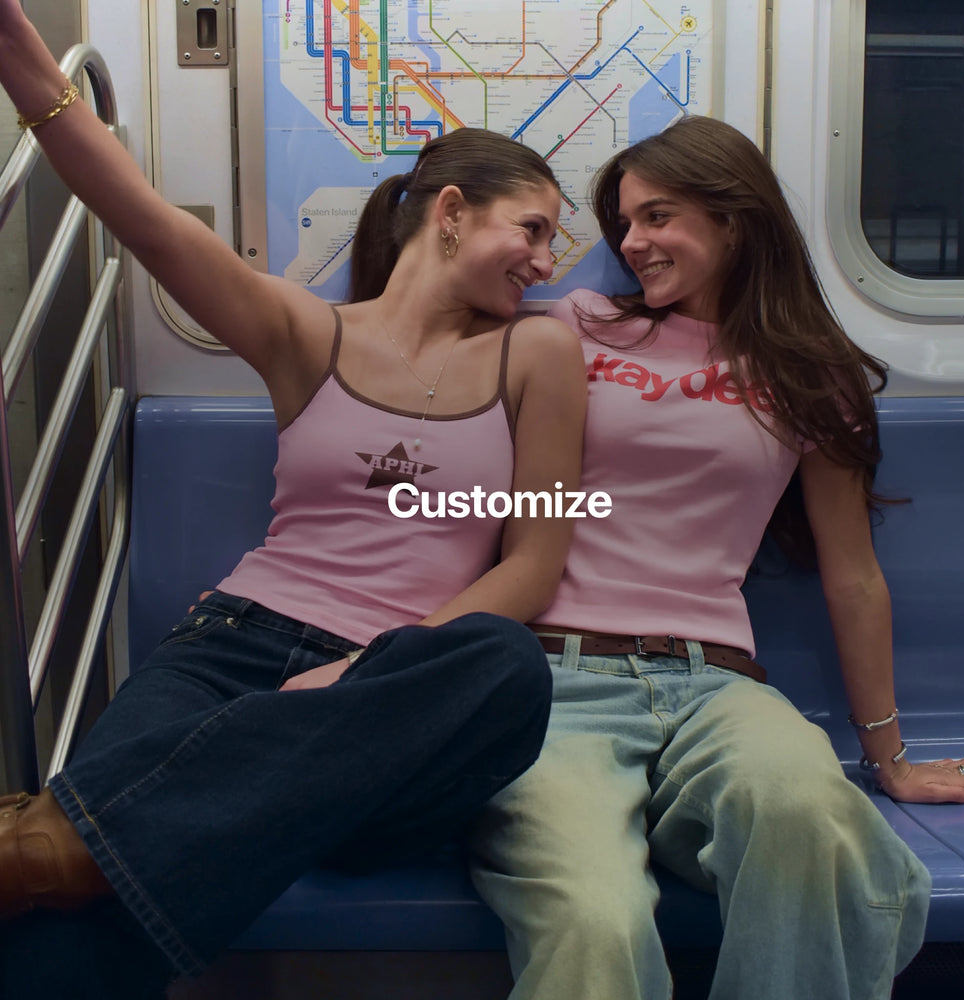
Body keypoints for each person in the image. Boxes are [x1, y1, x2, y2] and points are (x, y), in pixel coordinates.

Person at [0, 4, 587, 996]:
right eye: (531, 228)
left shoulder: (538, 349)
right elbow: (140, 218)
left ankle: (54, 839)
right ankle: (58, 852)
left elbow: (532, 566)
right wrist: (23, 68)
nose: (546, 261)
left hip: (392, 701)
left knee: (505, 664)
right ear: (449, 211)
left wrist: (367, 669)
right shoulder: (306, 331)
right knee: (87, 899)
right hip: (227, 653)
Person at [469, 115, 964, 1000]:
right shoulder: (571, 325)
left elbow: (853, 573)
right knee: (593, 918)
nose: (633, 243)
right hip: (548, 680)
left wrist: (891, 757)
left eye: (658, 217)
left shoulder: (806, 372)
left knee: (813, 824)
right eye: (625, 223)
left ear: (735, 220)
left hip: (714, 683)